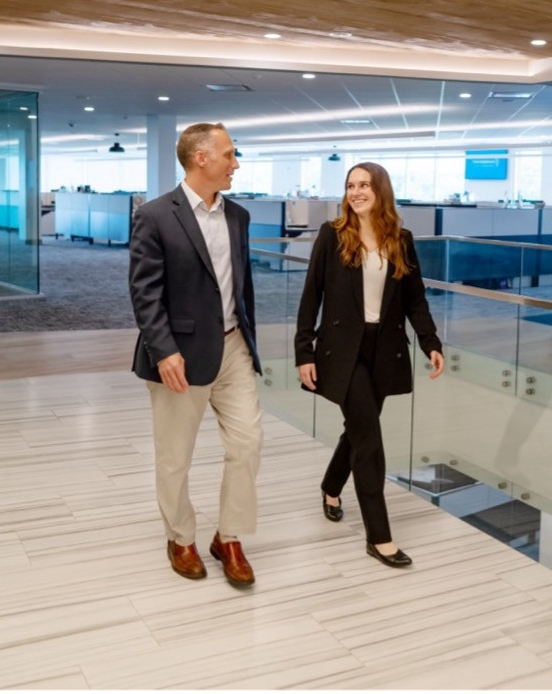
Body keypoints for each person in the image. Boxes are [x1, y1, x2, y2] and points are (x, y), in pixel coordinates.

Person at [128, 122, 262, 587]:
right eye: (228, 154)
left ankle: (228, 537)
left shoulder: (238, 216)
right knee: (175, 456)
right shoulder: (156, 216)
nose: (235, 163)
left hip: (233, 347)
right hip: (179, 356)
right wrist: (163, 350)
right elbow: (145, 293)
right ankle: (180, 536)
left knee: (248, 443)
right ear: (201, 158)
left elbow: (241, 287)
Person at [295, 162, 445, 568]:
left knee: (359, 429)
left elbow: (415, 298)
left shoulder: (401, 238)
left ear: (380, 190)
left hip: (385, 348)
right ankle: (379, 536)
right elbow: (312, 296)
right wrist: (303, 352)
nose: (356, 191)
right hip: (341, 349)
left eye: (363, 185)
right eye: (350, 185)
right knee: (370, 440)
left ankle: (330, 485)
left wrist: (430, 342)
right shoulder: (332, 234)